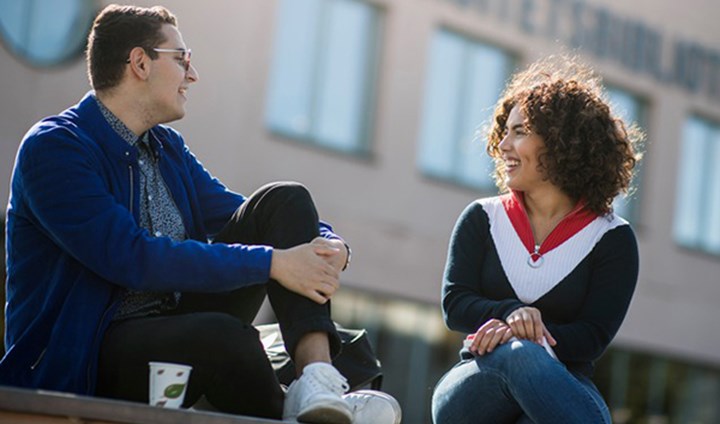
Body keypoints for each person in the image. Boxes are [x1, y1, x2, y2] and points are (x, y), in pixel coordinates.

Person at [0, 4, 400, 424]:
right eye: (182, 60)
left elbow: (243, 212)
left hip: (175, 331)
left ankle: (317, 379)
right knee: (223, 337)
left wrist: (331, 244)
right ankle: (300, 409)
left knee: (284, 199)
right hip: (88, 357)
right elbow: (130, 258)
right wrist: (273, 263)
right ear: (140, 63)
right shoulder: (56, 148)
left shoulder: (166, 148)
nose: (192, 75)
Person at [431, 56, 642, 424]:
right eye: (505, 131)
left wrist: (523, 332)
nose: (503, 146)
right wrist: (511, 314)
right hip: (474, 383)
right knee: (518, 355)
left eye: (520, 131)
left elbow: (592, 336)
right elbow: (455, 304)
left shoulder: (613, 238)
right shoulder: (483, 217)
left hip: (562, 388)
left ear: (564, 143)